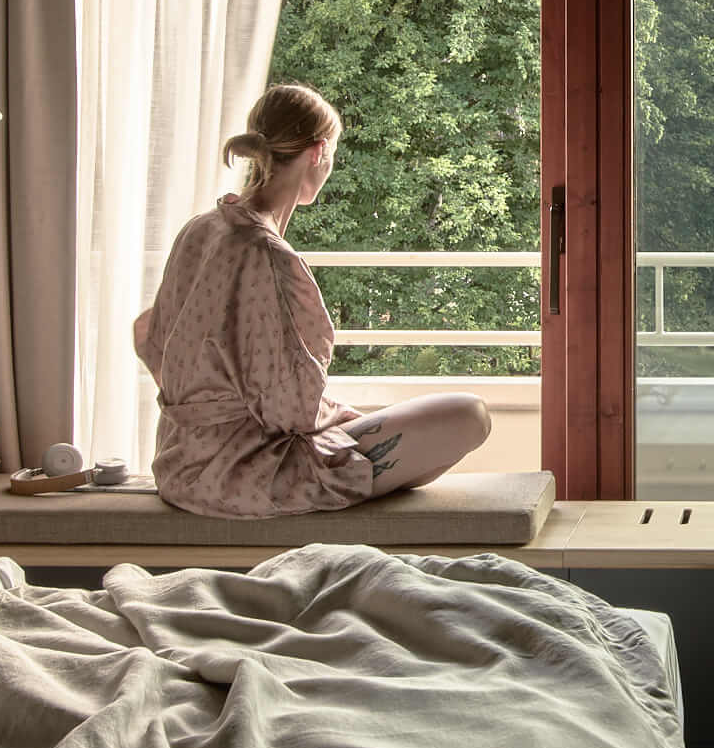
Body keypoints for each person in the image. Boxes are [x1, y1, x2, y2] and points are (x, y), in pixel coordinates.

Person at [133, 83, 493, 518]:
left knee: (395, 430)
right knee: (468, 416)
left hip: (178, 463)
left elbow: (147, 332)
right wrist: (339, 420)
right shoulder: (265, 254)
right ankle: (347, 493)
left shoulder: (202, 227)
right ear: (319, 152)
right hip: (237, 476)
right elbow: (294, 413)